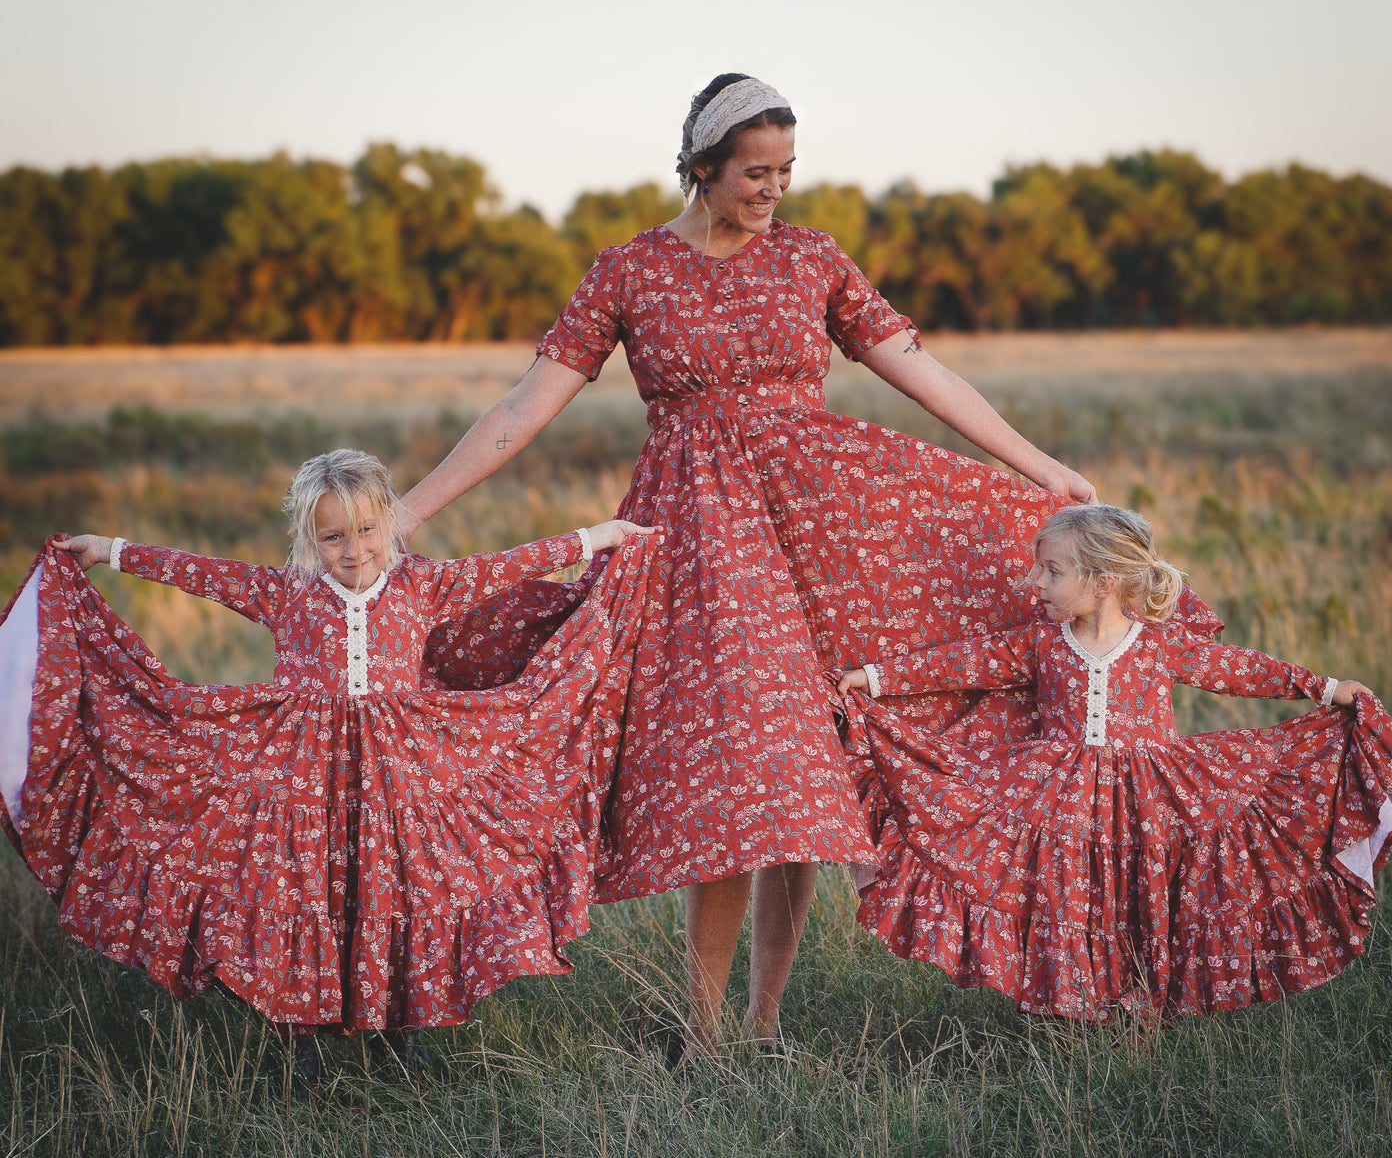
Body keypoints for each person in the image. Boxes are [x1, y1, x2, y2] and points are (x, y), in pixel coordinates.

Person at [400, 73, 1097, 1054]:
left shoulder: (812, 257)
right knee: (737, 774)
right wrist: (410, 510)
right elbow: (524, 406)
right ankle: (702, 1031)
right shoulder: (629, 270)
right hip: (695, 540)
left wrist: (1039, 467)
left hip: (815, 524)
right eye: (752, 173)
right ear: (700, 167)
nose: (771, 190)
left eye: (784, 171)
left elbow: (919, 368)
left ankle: (761, 1027)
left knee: (802, 774)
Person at [0, 448, 657, 1083]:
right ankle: (299, 1045)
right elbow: (195, 569)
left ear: (390, 521)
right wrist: (108, 550)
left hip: (398, 778)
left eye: (367, 530)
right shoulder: (287, 590)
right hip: (300, 782)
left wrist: (596, 536)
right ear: (310, 539)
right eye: (334, 537)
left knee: (399, 894)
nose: (354, 549)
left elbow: (512, 563)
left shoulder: (423, 583)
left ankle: (401, 1036)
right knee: (302, 896)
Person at [836, 505, 1392, 1019]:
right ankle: (1068, 1005)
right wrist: (875, 681)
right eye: (1038, 567)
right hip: (1060, 798)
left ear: (1105, 579)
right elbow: (963, 663)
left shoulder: (1157, 642)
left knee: (1143, 896)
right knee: (1070, 896)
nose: (1033, 580)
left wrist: (1324, 688)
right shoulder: (1040, 642)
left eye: (1052, 570)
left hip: (1149, 797)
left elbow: (1239, 669)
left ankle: (1144, 1007)